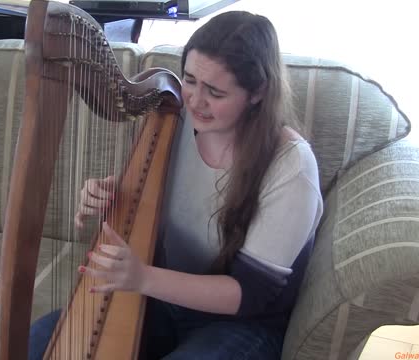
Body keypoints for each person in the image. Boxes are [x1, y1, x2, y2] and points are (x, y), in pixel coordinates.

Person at [29, 10, 323, 360]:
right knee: (41, 341)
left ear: (257, 93)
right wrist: (108, 197)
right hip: (164, 301)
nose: (196, 100)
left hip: (243, 323)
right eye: (190, 80)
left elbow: (249, 294)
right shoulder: (173, 120)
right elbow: (149, 208)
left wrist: (142, 278)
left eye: (215, 91)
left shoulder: (291, 166)